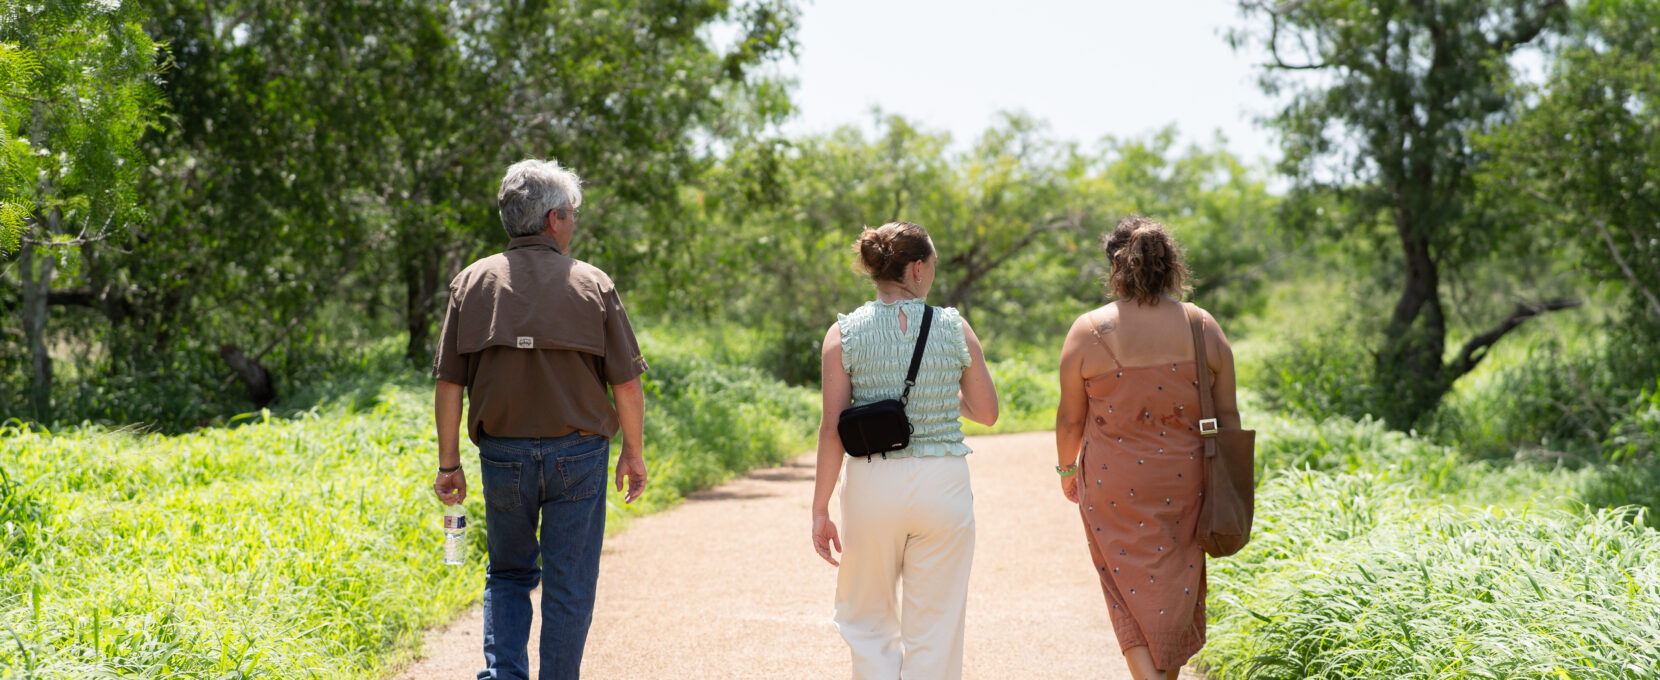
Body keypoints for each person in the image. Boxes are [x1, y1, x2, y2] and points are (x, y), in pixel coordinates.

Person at [431, 158, 649, 680]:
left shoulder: (472, 282)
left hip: (502, 454)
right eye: (571, 213)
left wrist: (448, 465)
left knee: (507, 573)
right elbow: (625, 382)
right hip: (578, 453)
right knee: (569, 581)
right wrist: (634, 453)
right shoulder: (593, 284)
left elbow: (448, 384)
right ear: (554, 218)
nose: (573, 223)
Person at [1053, 215, 1241, 680]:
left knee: (1124, 588)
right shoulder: (1202, 326)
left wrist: (1065, 471)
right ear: (1169, 264)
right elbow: (1230, 415)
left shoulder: (1089, 331)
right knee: (1174, 586)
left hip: (1113, 484)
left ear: (1115, 267)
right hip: (1190, 482)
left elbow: (1070, 419)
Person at [810, 221, 1000, 680]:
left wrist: (820, 509)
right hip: (943, 484)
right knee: (936, 628)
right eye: (932, 266)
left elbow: (831, 428)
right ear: (916, 269)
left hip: (873, 483)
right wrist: (932, 397)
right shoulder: (953, 326)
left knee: (868, 618)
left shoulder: (843, 334)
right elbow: (987, 411)